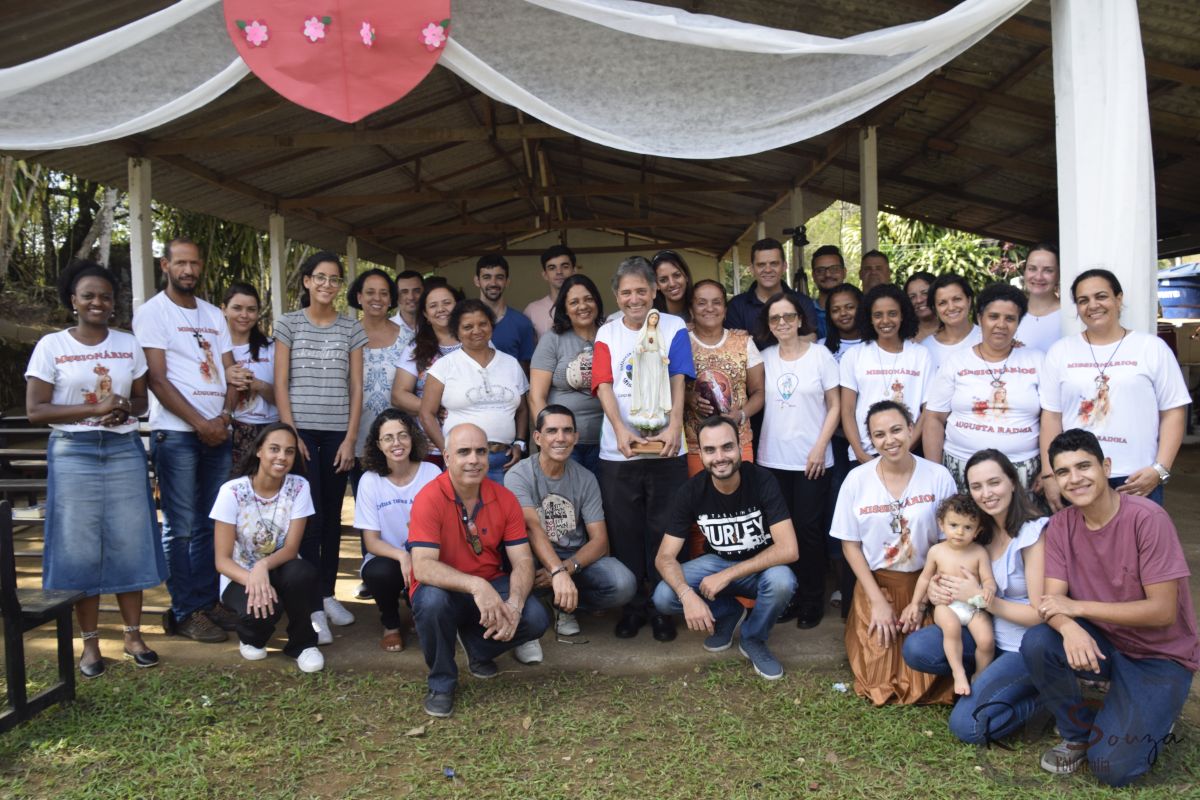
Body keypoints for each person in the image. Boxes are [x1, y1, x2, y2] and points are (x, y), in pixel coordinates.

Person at [1021, 429, 1198, 786]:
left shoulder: (1147, 519)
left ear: (1106, 466)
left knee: (1112, 769)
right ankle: (1076, 734)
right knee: (1040, 641)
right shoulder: (1060, 526)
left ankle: (1154, 712)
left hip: (1159, 656)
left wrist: (1078, 608)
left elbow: (1162, 612)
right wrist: (1069, 627)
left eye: (1084, 466)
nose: (1075, 478)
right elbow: (1052, 602)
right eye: (1064, 472)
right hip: (1107, 643)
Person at [26, 259, 166, 677]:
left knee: (129, 540)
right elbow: (36, 410)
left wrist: (122, 409)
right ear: (73, 300)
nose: (97, 302)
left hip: (122, 450)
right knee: (79, 547)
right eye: (88, 295)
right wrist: (94, 407)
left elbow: (140, 402)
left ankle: (133, 635)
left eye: (105, 296)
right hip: (73, 452)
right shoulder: (51, 345)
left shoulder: (128, 343)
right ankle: (89, 645)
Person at [902, 449, 1049, 744]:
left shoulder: (1033, 534)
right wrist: (934, 590)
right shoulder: (976, 532)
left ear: (1012, 482)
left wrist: (981, 599)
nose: (986, 494)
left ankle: (1047, 702)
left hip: (1023, 645)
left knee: (967, 727)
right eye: (976, 486)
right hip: (984, 628)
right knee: (917, 648)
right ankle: (985, 681)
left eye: (994, 483)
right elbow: (946, 573)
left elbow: (1040, 614)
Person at [133, 237, 238, 643]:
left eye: (194, 263)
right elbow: (156, 378)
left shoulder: (214, 314)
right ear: (165, 265)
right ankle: (183, 611)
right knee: (181, 527)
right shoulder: (152, 313)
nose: (188, 270)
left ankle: (207, 602)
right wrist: (201, 423)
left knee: (213, 522)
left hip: (217, 429)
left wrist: (224, 416)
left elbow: (230, 371)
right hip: (176, 433)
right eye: (181, 263)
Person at [409, 424, 551, 718]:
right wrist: (476, 585)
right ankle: (442, 683)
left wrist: (514, 603)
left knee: (535, 617)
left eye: (481, 451)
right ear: (447, 457)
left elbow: (523, 561)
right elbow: (422, 566)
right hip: (444, 586)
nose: (473, 459)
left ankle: (477, 648)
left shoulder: (505, 498)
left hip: (491, 582)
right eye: (464, 452)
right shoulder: (429, 497)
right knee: (431, 602)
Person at [593, 256, 695, 641]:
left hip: (667, 448)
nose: (634, 299)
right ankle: (633, 607)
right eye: (626, 292)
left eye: (641, 291)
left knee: (664, 528)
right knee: (626, 530)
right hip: (620, 452)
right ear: (616, 296)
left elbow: (679, 377)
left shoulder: (673, 325)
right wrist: (619, 429)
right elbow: (603, 382)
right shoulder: (607, 333)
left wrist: (674, 427)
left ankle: (662, 607)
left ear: (654, 291)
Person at [653, 416, 799, 679]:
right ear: (701, 453)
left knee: (782, 581)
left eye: (727, 447)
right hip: (715, 564)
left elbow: (789, 549)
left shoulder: (762, 480)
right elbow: (664, 557)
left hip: (759, 568)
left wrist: (728, 574)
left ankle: (753, 638)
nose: (719, 457)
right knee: (665, 595)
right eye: (710, 450)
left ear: (740, 445)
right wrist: (687, 595)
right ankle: (729, 612)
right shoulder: (691, 491)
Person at [831, 400, 957, 705]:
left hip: (925, 582)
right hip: (878, 584)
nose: (890, 440)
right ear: (871, 440)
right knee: (877, 680)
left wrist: (922, 601)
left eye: (897, 430)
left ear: (911, 429)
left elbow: (949, 544)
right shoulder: (857, 479)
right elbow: (850, 544)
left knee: (928, 672)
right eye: (879, 435)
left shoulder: (937, 476)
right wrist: (876, 601)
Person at [273, 251, 367, 636]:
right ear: (307, 281)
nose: (328, 285)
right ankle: (311, 605)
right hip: (301, 434)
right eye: (321, 278)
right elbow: (280, 383)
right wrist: (291, 435)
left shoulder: (352, 329)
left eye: (335, 279)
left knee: (331, 518)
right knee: (307, 520)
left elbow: (357, 387)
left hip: (337, 434)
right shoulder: (288, 324)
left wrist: (350, 438)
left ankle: (328, 594)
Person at [1039, 268, 1188, 509]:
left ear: (1118, 299)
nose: (1093, 305)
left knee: (1137, 546)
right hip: (1076, 478)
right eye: (1083, 300)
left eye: (1101, 296)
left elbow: (1173, 412)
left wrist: (1160, 469)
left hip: (1136, 478)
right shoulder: (1060, 352)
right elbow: (1051, 417)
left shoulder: (1151, 348)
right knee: (1079, 547)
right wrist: (1050, 475)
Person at [505, 405, 637, 660]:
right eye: (552, 430)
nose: (560, 438)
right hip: (531, 559)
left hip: (572, 561)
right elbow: (531, 528)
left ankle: (563, 604)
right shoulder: (518, 474)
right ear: (537, 438)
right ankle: (529, 624)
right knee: (517, 572)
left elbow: (599, 541)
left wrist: (565, 570)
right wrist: (556, 571)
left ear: (576, 437)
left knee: (623, 583)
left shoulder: (586, 478)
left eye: (567, 431)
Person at [756, 292, 839, 628]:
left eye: (788, 316)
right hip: (773, 458)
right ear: (768, 324)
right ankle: (788, 598)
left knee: (808, 531)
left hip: (811, 459)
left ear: (800, 318)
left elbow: (835, 405)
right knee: (780, 534)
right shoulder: (764, 357)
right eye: (775, 318)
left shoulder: (820, 356)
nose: (782, 323)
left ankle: (811, 599)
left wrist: (820, 446)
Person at [211, 422, 323, 672]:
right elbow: (222, 561)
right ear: (259, 450)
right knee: (262, 612)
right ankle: (251, 636)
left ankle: (302, 644)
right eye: (274, 449)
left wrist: (262, 566)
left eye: (289, 451)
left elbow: (291, 548)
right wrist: (254, 578)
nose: (282, 457)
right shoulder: (232, 492)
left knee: (302, 572)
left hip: (279, 567)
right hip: (239, 577)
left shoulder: (299, 487)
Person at [924, 283, 1045, 491]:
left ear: (1018, 323)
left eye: (1010, 319)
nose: (1001, 324)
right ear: (980, 318)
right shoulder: (956, 362)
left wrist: (1049, 470)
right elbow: (934, 418)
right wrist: (935, 473)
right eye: (993, 317)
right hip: (961, 469)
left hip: (1024, 473)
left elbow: (1051, 417)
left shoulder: (1037, 360)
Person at [355, 409, 441, 652]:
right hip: (388, 557)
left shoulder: (431, 473)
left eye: (402, 435)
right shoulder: (370, 480)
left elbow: (442, 527)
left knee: (435, 569)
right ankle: (391, 625)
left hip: (428, 553)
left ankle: (419, 612)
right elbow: (371, 542)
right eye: (388, 438)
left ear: (412, 438)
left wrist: (417, 556)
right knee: (378, 573)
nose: (397, 443)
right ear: (378, 445)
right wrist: (403, 556)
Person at [421, 299, 529, 484]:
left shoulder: (511, 363)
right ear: (457, 332)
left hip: (505, 460)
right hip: (463, 462)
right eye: (468, 326)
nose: (477, 331)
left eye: (483, 324)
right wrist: (447, 452)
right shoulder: (444, 366)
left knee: (504, 512)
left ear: (491, 326)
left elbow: (522, 410)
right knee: (467, 513)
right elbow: (426, 414)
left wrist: (520, 443)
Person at [900, 495, 997, 696]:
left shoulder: (979, 552)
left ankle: (980, 674)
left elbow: (987, 579)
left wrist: (988, 589)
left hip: (973, 605)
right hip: (946, 605)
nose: (960, 532)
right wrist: (915, 603)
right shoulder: (936, 551)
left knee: (986, 640)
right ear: (941, 524)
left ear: (978, 530)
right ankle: (958, 671)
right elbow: (925, 579)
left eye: (968, 527)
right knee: (951, 629)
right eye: (954, 525)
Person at [839, 284, 933, 464]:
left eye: (892, 313)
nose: (885, 321)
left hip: (908, 452)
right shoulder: (854, 355)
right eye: (878, 315)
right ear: (869, 319)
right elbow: (847, 411)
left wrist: (906, 448)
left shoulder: (920, 355)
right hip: (865, 456)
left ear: (902, 315)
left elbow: (927, 411)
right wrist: (860, 454)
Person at [685, 280, 763, 477]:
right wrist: (688, 397)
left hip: (738, 442)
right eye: (702, 303)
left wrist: (742, 414)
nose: (709, 308)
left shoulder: (744, 343)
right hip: (695, 446)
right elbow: (666, 386)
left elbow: (759, 392)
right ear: (692, 310)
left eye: (717, 302)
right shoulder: (681, 342)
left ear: (725, 310)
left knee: (739, 500)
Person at [529, 274, 605, 474]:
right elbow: (536, 397)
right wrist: (550, 437)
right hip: (565, 443)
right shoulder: (553, 339)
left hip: (609, 440)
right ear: (565, 308)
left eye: (588, 299)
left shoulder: (611, 333)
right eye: (574, 302)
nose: (583, 306)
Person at [819, 283, 864, 616]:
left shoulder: (876, 343)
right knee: (838, 511)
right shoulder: (823, 347)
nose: (844, 313)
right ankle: (841, 583)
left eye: (850, 306)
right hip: (837, 441)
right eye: (836, 309)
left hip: (876, 440)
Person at [392, 280, 465, 468]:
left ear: (458, 305)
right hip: (429, 446)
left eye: (447, 303)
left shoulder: (477, 341)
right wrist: (432, 409)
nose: (441, 309)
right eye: (433, 306)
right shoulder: (415, 348)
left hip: (471, 444)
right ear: (425, 314)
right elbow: (399, 395)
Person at [347, 269, 407, 478]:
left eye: (384, 293)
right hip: (357, 439)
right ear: (359, 297)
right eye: (370, 292)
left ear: (391, 299)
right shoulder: (346, 336)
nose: (377, 298)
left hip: (400, 441)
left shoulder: (408, 338)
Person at [222, 282, 278, 470]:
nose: (244, 315)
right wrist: (226, 376)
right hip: (227, 432)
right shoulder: (212, 349)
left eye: (251, 309)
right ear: (223, 309)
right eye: (237, 308)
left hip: (269, 430)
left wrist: (258, 385)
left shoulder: (272, 348)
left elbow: (285, 398)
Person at [725, 237, 819, 343]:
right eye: (761, 265)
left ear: (784, 266)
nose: (768, 270)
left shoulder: (803, 302)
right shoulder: (736, 306)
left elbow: (812, 338)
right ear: (752, 269)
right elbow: (733, 345)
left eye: (774, 264)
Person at [474, 255, 535, 371]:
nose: (493, 283)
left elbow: (526, 371)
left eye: (499, 277)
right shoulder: (464, 322)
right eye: (487, 277)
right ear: (477, 281)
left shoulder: (522, 323)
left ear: (507, 281)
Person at [924, 273, 981, 375]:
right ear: (935, 309)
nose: (951, 307)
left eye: (957, 299)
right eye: (942, 303)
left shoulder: (986, 338)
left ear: (969, 300)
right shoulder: (925, 348)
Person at [1015, 243, 1062, 354]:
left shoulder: (1071, 315)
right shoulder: (1011, 314)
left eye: (1048, 270)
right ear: (1024, 272)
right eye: (1032, 269)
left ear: (1059, 274)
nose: (1038, 277)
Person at [524, 244, 577, 339]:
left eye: (565, 266)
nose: (559, 272)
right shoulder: (532, 310)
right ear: (545, 275)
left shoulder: (587, 307)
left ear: (574, 271)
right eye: (552, 268)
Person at [810, 245, 847, 338]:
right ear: (813, 276)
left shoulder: (858, 310)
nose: (827, 274)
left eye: (834, 269)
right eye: (820, 270)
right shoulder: (806, 311)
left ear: (844, 272)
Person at [652, 249, 694, 324]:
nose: (672, 284)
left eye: (677, 275)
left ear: (686, 276)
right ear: (657, 285)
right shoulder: (651, 318)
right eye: (663, 280)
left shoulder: (700, 312)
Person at [388, 269, 425, 351]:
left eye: (417, 291)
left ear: (424, 293)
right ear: (396, 296)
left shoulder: (434, 326)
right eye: (404, 292)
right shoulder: (385, 329)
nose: (411, 297)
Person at [904, 271, 939, 342]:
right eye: (912, 297)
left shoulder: (952, 329)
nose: (919, 300)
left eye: (925, 293)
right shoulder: (903, 337)